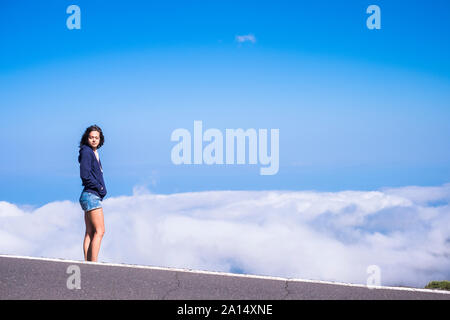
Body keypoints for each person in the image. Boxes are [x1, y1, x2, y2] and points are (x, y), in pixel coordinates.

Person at [78, 125, 107, 262]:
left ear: (100, 139)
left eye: (96, 137)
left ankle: (88, 263)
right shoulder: (86, 152)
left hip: (88, 196)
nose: (94, 140)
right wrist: (100, 188)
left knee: (90, 232)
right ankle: (93, 264)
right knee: (100, 231)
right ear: (87, 138)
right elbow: (85, 175)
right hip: (91, 195)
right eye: (91, 137)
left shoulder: (93, 152)